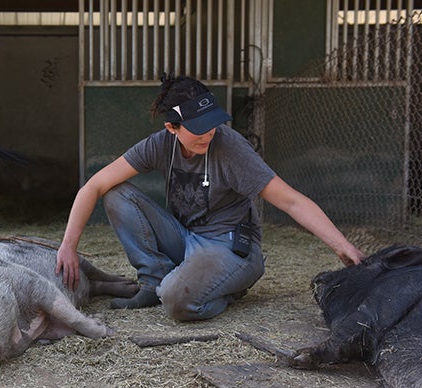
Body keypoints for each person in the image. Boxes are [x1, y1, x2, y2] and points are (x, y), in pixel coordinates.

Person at [55, 74, 365, 322]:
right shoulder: (159, 145)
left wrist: (342, 245)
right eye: (198, 128)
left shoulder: (231, 148)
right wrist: (69, 246)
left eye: (212, 122)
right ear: (172, 128)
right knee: (115, 192)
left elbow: (291, 200)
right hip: (187, 239)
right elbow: (93, 186)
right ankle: (153, 282)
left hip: (228, 245)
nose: (209, 133)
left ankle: (225, 291)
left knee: (176, 302)